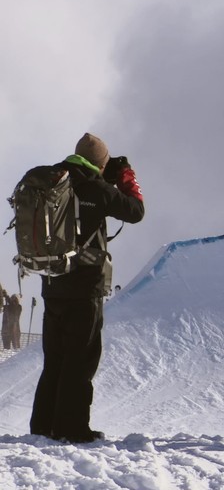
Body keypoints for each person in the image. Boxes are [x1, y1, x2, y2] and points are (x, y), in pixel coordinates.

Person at [29, 133, 145, 443]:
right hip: (85, 288)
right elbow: (135, 211)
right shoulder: (98, 189)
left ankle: (42, 426)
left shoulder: (52, 180)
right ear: (101, 164)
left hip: (52, 283)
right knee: (80, 359)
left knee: (54, 359)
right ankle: (73, 428)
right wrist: (124, 176)